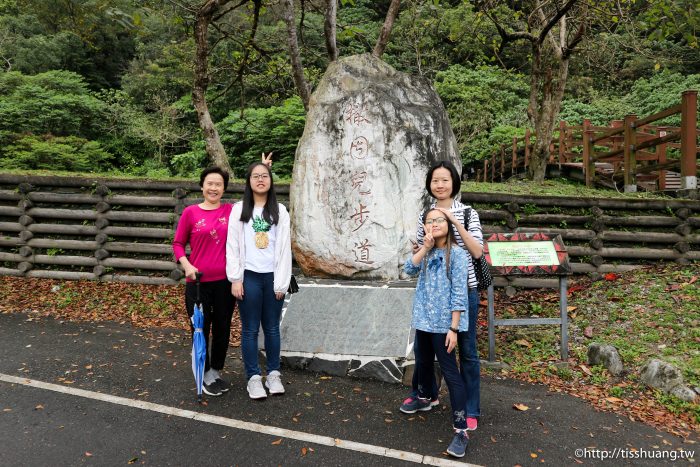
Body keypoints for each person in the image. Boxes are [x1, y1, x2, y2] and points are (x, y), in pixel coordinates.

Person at [400, 160, 484, 432]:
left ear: (454, 183)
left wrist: (453, 223)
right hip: (432, 293)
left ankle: (470, 408)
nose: (440, 185)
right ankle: (426, 394)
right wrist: (425, 239)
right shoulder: (426, 213)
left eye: (445, 180)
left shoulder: (468, 213)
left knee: (467, 352)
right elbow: (418, 252)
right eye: (435, 180)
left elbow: (478, 251)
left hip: (463, 291)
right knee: (425, 349)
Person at [403, 208, 470, 458]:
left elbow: (459, 293)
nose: (434, 224)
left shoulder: (458, 254)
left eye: (439, 220)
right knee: (422, 361)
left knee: (451, 373)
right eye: (429, 221)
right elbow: (408, 269)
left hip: (444, 325)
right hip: (423, 320)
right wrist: (425, 247)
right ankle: (425, 397)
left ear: (449, 224)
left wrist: (454, 328)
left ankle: (461, 429)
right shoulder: (425, 251)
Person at [226, 161, 292, 400]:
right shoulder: (239, 209)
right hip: (249, 276)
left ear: (271, 180)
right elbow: (232, 245)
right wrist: (235, 278)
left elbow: (285, 248)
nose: (261, 180)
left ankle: (274, 374)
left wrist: (282, 282)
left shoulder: (280, 210)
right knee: (250, 328)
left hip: (272, 276)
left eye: (265, 175)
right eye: (256, 176)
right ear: (249, 181)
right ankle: (253, 378)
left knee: (273, 328)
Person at [173, 166, 235, 397]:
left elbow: (254, 199)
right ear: (202, 186)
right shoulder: (190, 212)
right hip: (197, 283)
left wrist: (262, 173)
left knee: (222, 328)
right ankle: (204, 369)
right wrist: (187, 265)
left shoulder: (231, 211)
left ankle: (215, 371)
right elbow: (178, 243)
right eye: (210, 183)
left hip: (225, 283)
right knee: (200, 328)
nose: (214, 188)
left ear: (224, 188)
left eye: (218, 184)